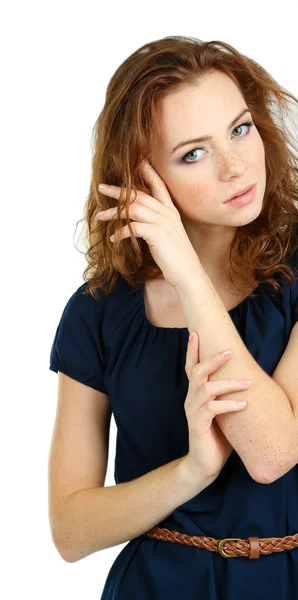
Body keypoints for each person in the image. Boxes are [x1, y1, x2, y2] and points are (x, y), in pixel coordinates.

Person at [48, 36, 298, 599]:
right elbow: (70, 530)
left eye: (240, 129)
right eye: (194, 152)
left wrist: (185, 271)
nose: (236, 166)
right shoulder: (96, 313)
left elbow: (272, 454)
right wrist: (192, 472)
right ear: (142, 180)